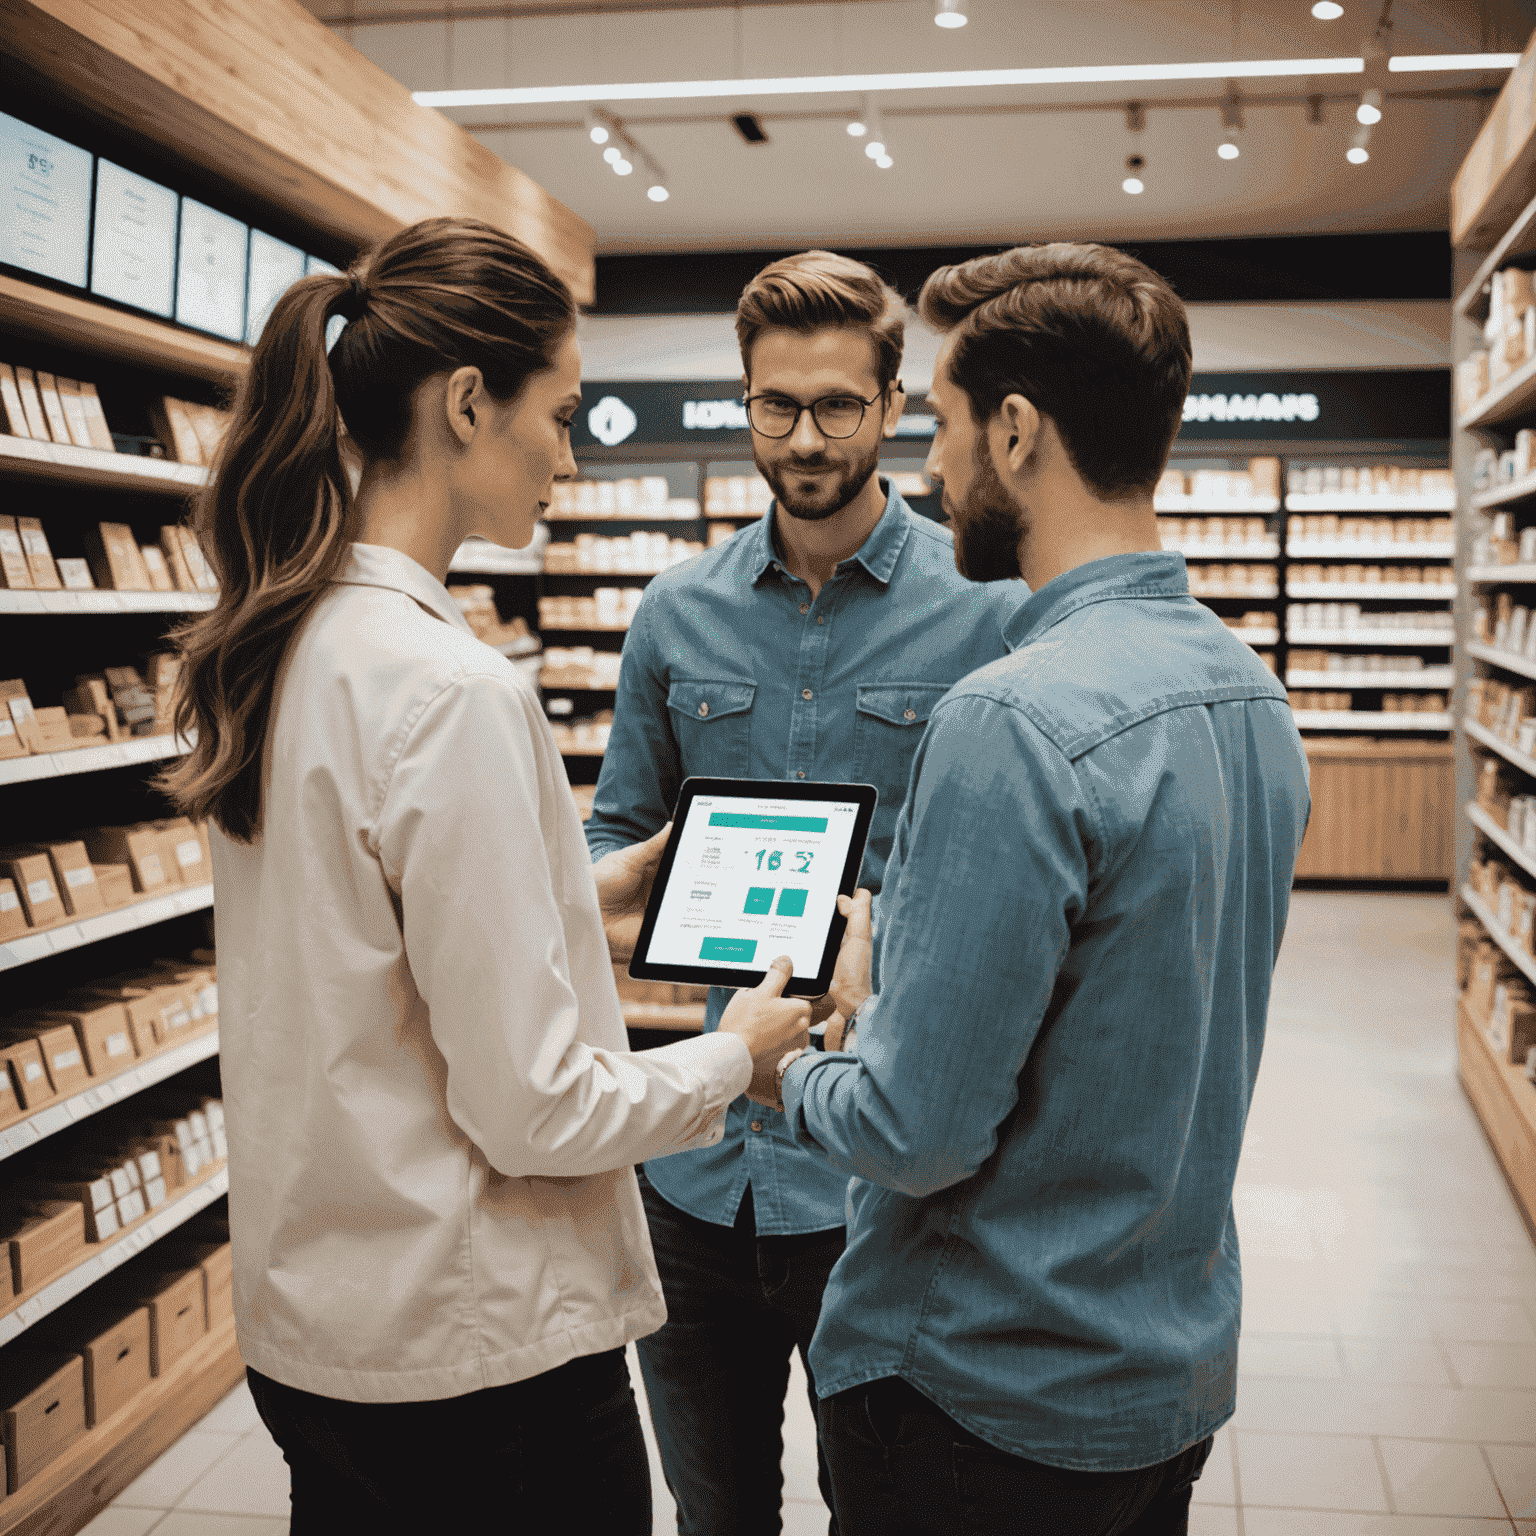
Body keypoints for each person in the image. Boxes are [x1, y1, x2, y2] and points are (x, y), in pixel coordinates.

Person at [163, 216, 812, 1534]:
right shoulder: (449, 687)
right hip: (476, 1366)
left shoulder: (285, 642)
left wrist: (576, 896)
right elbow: (537, 1113)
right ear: (469, 403)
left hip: (322, 1336)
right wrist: (731, 1059)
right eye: (562, 416)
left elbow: (363, 951)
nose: (571, 459)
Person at [769, 243, 1312, 1536]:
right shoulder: (1252, 696)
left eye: (946, 427)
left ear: (1016, 433)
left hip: (979, 1394)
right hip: (1154, 1381)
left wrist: (784, 1062)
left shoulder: (1009, 720)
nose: (933, 469)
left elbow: (917, 1132)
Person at [583, 249, 1024, 1534]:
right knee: (718, 1510)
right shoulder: (676, 613)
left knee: (878, 1504)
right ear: (745, 401)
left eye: (838, 404)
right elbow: (621, 818)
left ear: (895, 406)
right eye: (775, 404)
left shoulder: (989, 610)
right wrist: (653, 912)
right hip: (696, 1160)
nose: (805, 436)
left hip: (876, 1175)